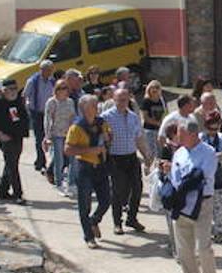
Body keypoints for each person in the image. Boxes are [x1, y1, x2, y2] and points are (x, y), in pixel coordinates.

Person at [167, 117, 221, 273]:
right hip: (181, 205)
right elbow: (176, 178)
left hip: (202, 205)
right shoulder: (179, 153)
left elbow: (202, 177)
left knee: (203, 248)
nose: (178, 138)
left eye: (181, 135)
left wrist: (186, 181)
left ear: (192, 134)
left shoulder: (208, 153)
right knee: (184, 250)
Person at [65, 94, 111, 247]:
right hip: (84, 166)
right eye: (93, 105)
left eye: (96, 104)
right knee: (84, 204)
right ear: (84, 108)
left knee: (106, 200)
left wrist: (108, 137)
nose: (96, 107)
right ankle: (88, 236)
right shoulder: (76, 127)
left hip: (101, 166)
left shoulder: (101, 122)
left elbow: (109, 138)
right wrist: (88, 150)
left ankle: (94, 221)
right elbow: (68, 149)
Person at [102, 87, 148, 234]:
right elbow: (102, 140)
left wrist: (147, 155)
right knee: (118, 191)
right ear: (114, 100)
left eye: (125, 99)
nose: (123, 102)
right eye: (120, 99)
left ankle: (132, 218)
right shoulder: (106, 117)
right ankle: (117, 222)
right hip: (116, 158)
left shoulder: (134, 117)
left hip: (131, 157)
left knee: (137, 188)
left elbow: (139, 138)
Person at [0, 78, 29, 205]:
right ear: (4, 91)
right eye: (10, 89)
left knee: (11, 164)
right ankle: (18, 194)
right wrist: (0, 135)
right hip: (6, 138)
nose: (13, 91)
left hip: (18, 137)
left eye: (15, 88)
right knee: (13, 166)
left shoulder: (18, 101)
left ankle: (3, 191)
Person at [201, 111, 222, 241]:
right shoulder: (200, 139)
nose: (213, 131)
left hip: (219, 175)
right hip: (203, 178)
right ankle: (205, 232)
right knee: (204, 208)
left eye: (215, 128)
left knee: (220, 207)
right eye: (210, 128)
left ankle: (219, 232)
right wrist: (215, 155)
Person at [44, 79, 77, 194]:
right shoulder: (51, 102)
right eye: (60, 88)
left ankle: (71, 183)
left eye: (65, 88)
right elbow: (47, 119)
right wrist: (47, 136)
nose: (63, 91)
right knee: (59, 160)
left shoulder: (70, 102)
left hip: (69, 134)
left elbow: (73, 117)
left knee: (74, 160)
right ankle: (59, 183)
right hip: (57, 134)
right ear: (56, 90)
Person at [24, 60, 56, 174]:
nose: (49, 72)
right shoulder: (33, 81)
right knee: (39, 138)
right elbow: (25, 95)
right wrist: (27, 110)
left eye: (51, 70)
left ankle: (46, 161)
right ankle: (41, 162)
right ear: (41, 70)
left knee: (49, 137)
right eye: (47, 70)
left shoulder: (52, 81)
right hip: (37, 113)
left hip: (49, 113)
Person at [138, 80, 166, 165]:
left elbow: (165, 112)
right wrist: (157, 123)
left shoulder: (162, 100)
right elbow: (145, 117)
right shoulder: (146, 101)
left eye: (157, 87)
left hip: (160, 129)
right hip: (149, 130)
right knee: (151, 151)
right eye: (152, 88)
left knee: (160, 151)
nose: (155, 90)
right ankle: (149, 168)